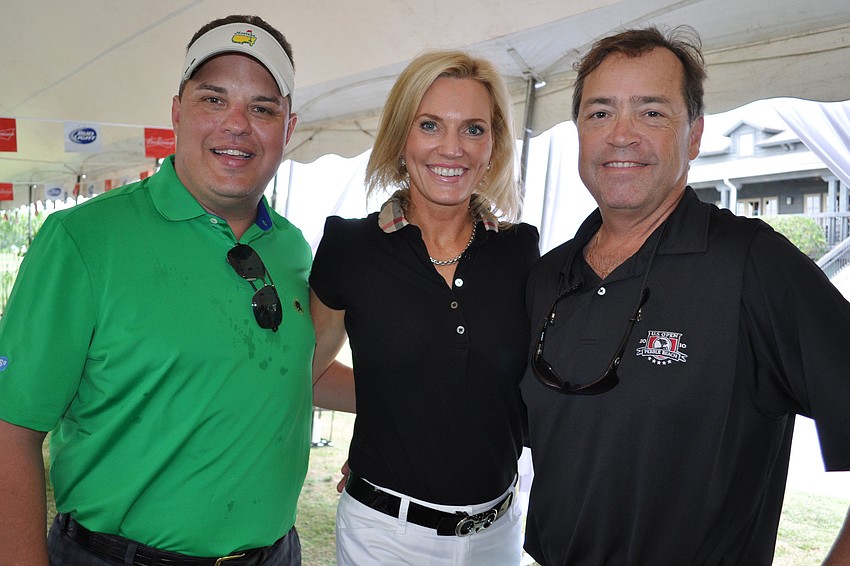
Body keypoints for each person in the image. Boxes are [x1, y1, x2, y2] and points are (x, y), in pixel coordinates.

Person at [520, 24, 850, 565]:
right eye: (599, 113)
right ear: (578, 130)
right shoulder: (547, 276)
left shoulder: (751, 263)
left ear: (694, 136)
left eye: (651, 112)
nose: (620, 134)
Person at [0, 14, 313, 565]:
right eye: (213, 100)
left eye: (262, 108)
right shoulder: (83, 239)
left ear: (287, 129)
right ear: (176, 112)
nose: (236, 125)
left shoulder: (291, 248)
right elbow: (11, 431)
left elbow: (289, 369)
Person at [309, 50, 540, 565]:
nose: (452, 149)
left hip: (499, 535)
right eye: (430, 125)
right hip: (384, 535)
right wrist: (394, 411)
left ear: (494, 144)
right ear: (400, 136)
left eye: (473, 129)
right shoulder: (350, 247)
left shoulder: (521, 250)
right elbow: (307, 372)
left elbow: (521, 389)